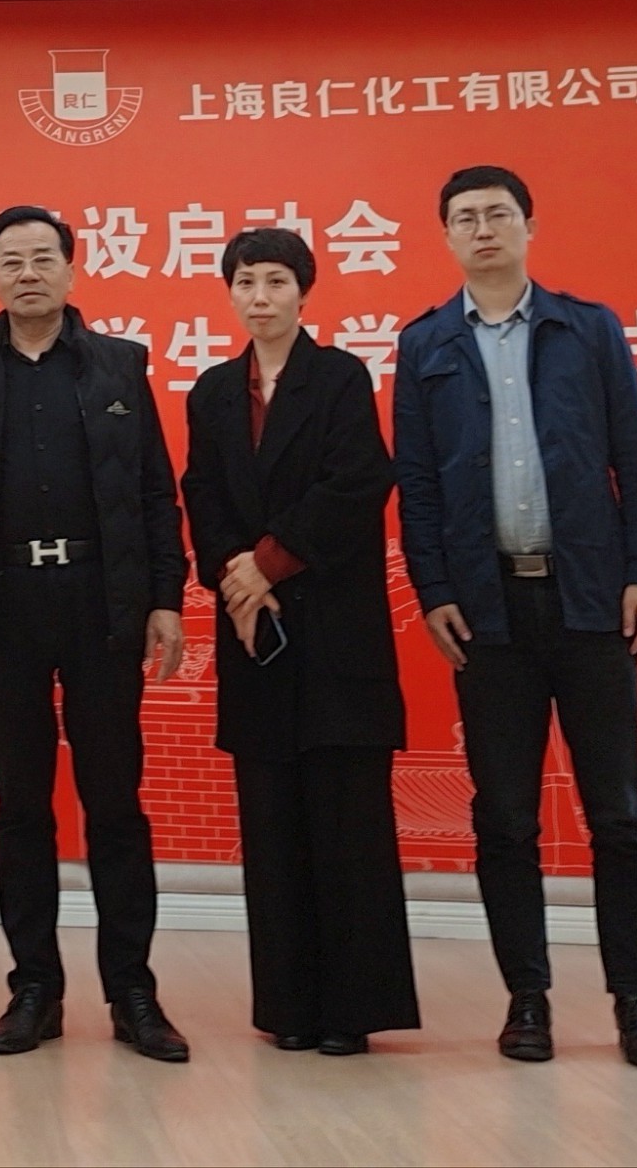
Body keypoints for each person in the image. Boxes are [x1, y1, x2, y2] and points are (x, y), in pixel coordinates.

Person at [393, 165, 637, 1069]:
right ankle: (527, 998)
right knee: (506, 818)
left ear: (529, 225)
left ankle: (635, 1000)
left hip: (591, 600)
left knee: (620, 814)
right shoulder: (426, 342)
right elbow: (417, 483)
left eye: (498, 213)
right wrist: (434, 588)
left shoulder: (587, 329)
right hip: (488, 612)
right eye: (465, 217)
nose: (482, 228)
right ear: (446, 235)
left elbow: (635, 455)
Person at [0, 205, 192, 1064]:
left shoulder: (118, 364)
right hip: (3, 608)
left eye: (44, 257)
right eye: (12, 260)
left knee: (114, 802)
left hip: (101, 603)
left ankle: (133, 989)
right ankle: (34, 986)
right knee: (21, 805)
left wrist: (165, 595)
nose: (28, 272)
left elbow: (154, 489)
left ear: (72, 270)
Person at [181, 227, 419, 1056]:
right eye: (246, 281)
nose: (260, 296)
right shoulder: (213, 391)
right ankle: (288, 1005)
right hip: (255, 631)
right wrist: (234, 578)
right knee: (272, 821)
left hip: (333, 624)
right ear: (230, 292)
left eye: (276, 281)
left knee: (346, 822)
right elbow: (201, 494)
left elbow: (358, 482)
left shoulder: (341, 376)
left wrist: (268, 564)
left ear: (303, 291)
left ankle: (351, 1009)